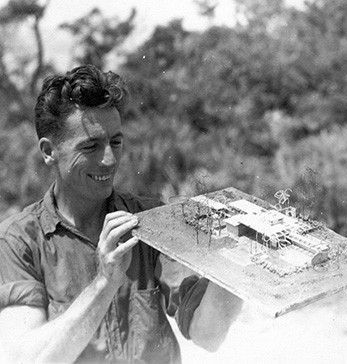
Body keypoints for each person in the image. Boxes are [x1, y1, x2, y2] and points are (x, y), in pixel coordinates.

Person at [0, 65, 242, 363]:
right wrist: (104, 282)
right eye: (90, 146)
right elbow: (25, 359)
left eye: (115, 142)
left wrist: (241, 267)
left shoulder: (151, 219)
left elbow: (208, 336)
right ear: (49, 151)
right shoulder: (18, 241)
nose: (110, 159)